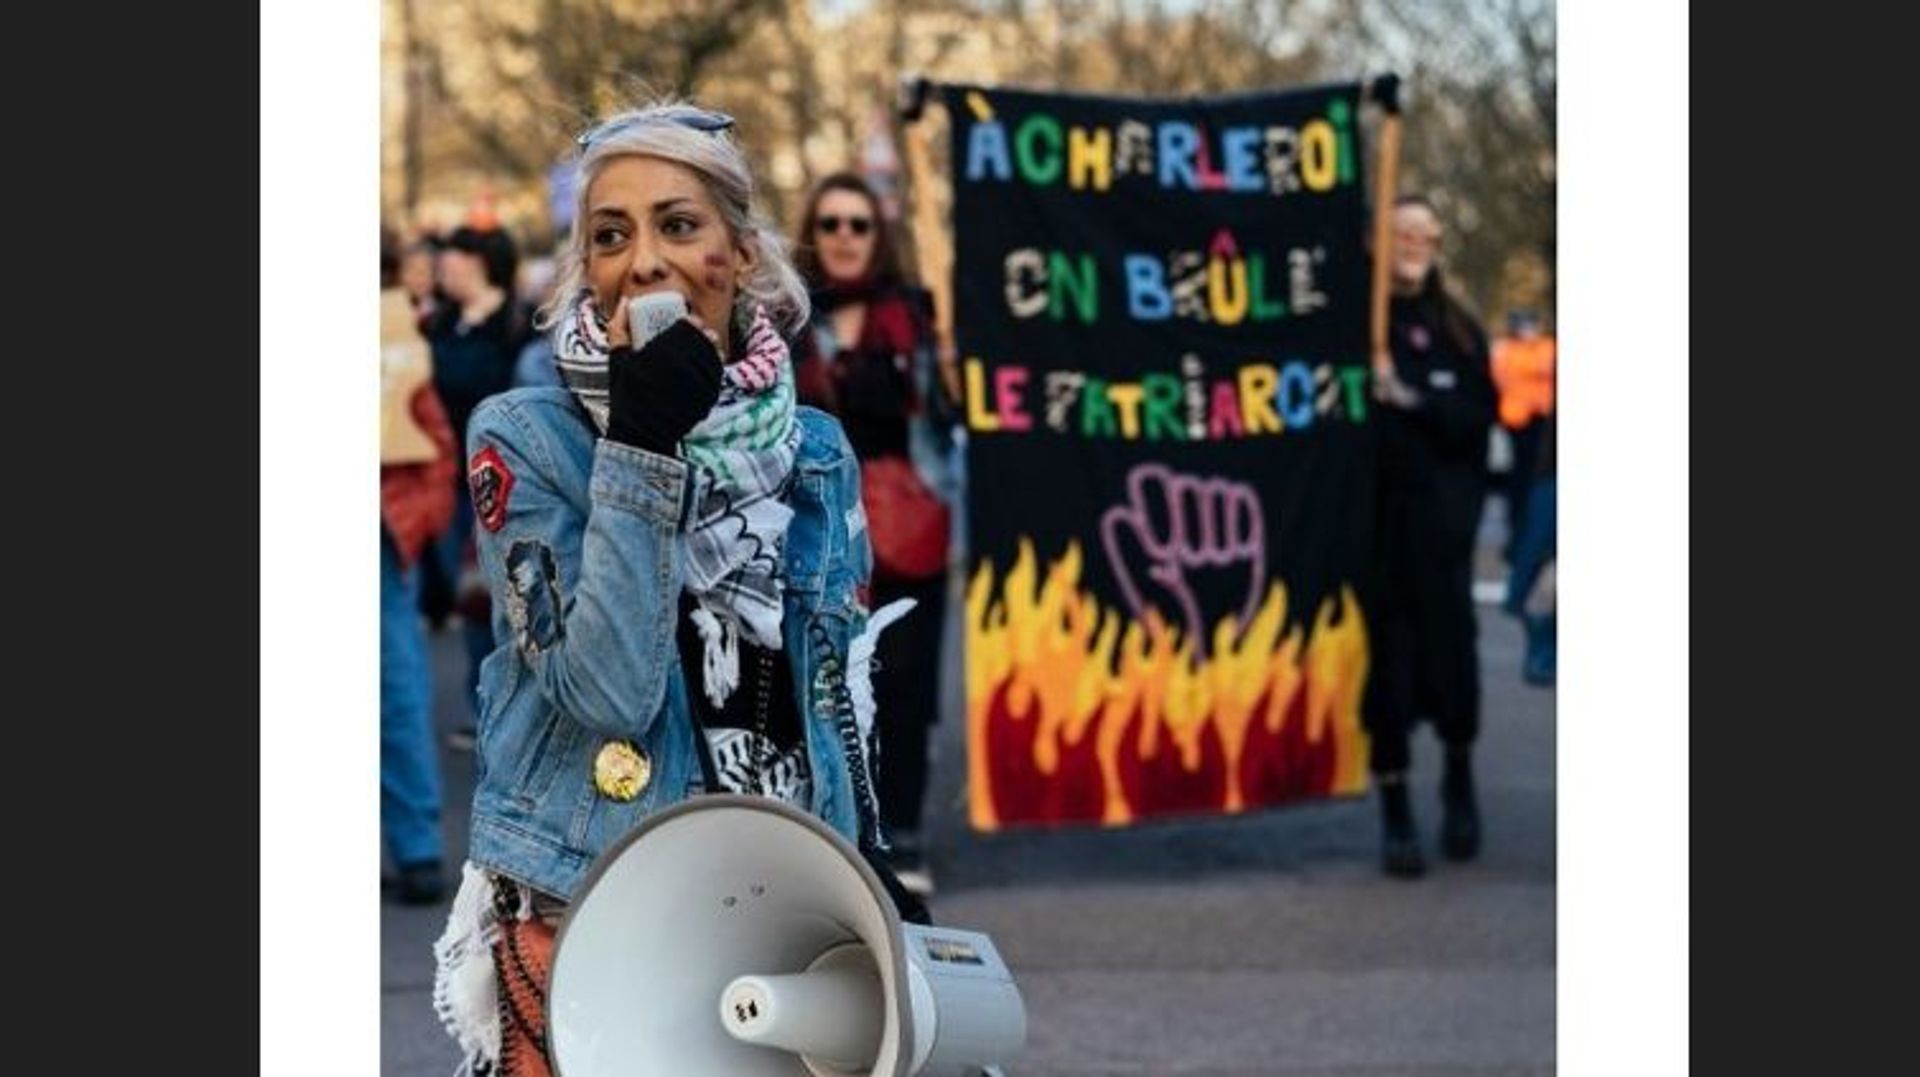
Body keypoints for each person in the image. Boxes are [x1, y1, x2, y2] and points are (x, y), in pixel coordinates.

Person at [431, 99, 906, 1076]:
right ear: (588, 275)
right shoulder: (525, 437)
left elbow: (830, 698)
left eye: (678, 225)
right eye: (611, 236)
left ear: (740, 255)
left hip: (774, 925)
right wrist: (644, 445)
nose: (644, 261)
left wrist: (871, 879)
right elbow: (603, 689)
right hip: (593, 917)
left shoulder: (813, 451)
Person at [791, 171, 959, 897]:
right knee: (822, 684)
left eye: (859, 224)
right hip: (813, 527)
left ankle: (904, 827)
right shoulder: (787, 317)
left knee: (907, 686)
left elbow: (946, 419)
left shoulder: (918, 316)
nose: (845, 237)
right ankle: (838, 828)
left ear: (878, 234)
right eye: (830, 223)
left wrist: (950, 368)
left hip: (906, 523)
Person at [1364, 193, 1497, 879]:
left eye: (1427, 235)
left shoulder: (1459, 330)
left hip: (1441, 537)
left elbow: (1479, 415)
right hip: (1375, 536)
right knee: (1386, 674)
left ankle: (1459, 779)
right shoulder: (1355, 324)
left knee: (1454, 664)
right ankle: (1395, 809)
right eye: (1404, 233)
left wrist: (1411, 398)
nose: (1417, 244)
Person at [423, 224, 534, 740]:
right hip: (443, 475)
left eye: (455, 259)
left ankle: (504, 711)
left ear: (483, 262)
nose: (444, 267)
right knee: (463, 594)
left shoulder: (518, 326)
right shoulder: (437, 324)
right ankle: (481, 703)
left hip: (497, 479)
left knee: (498, 597)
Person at [380, 242, 459, 906]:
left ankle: (417, 847)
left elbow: (435, 445)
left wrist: (411, 525)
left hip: (380, 532)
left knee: (395, 689)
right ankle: (415, 844)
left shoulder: (393, 335)